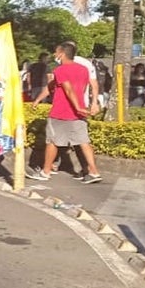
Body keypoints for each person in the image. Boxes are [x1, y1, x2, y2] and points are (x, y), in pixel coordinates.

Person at [28, 42, 102, 185]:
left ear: (62, 53)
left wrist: (76, 107)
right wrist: (38, 99)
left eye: (56, 52)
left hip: (61, 112)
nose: (55, 55)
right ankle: (93, 171)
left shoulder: (60, 70)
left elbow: (68, 90)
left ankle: (46, 171)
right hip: (79, 113)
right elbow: (52, 87)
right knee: (83, 142)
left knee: (52, 141)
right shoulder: (83, 70)